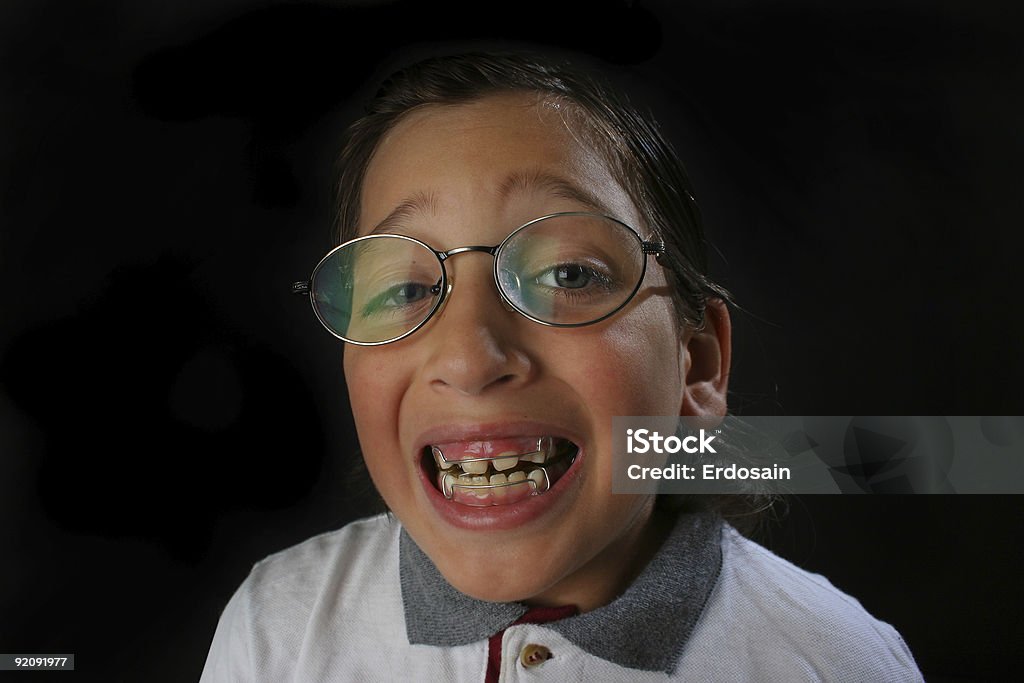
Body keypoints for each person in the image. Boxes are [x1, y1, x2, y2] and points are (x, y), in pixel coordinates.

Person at [200, 51, 922, 681]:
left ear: (698, 365)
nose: (470, 356)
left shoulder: (838, 662)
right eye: (406, 288)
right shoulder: (280, 623)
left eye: (569, 274)